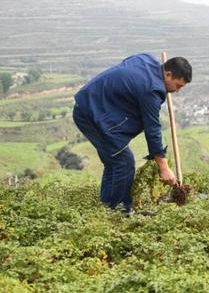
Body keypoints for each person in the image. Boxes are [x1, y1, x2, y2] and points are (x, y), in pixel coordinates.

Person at [73, 53, 192, 212]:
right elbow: (152, 128)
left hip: (92, 104)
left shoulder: (146, 59)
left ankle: (107, 208)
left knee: (114, 162)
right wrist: (163, 167)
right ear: (168, 74)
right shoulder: (151, 89)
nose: (177, 91)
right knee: (124, 162)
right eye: (178, 86)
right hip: (90, 114)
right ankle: (120, 212)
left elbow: (128, 67)